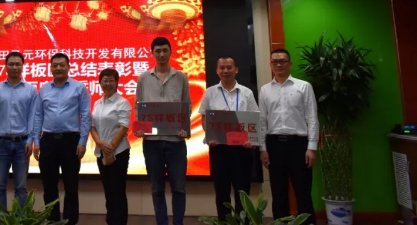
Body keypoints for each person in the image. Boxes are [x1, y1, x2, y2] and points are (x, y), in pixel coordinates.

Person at [134, 37, 190, 225]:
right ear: (152, 53)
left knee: (179, 189)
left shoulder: (181, 77)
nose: (161, 54)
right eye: (157, 51)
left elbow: (186, 106)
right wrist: (141, 127)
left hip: (176, 142)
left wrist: (184, 128)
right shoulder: (143, 78)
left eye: (165, 50)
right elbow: (139, 106)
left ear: (170, 52)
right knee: (157, 189)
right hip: (152, 143)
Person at [259, 49, 318, 224]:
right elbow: (262, 121)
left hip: (299, 145)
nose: (278, 64)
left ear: (290, 64)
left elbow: (312, 118)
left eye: (282, 61)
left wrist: (312, 148)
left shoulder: (304, 87)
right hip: (274, 145)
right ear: (270, 65)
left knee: (303, 191)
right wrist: (263, 149)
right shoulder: (265, 90)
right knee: (278, 193)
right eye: (274, 62)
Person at [33, 53, 91, 225]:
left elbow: (85, 115)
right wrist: (36, 140)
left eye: (62, 65)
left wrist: (82, 142)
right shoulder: (44, 89)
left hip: (71, 141)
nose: (58, 68)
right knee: (49, 185)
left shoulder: (79, 88)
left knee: (71, 186)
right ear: (51, 68)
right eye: (55, 65)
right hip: (48, 140)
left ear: (68, 67)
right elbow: (38, 116)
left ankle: (69, 221)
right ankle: (52, 220)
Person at [199, 57, 259, 219]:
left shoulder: (246, 92)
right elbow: (204, 118)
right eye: (222, 68)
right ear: (217, 71)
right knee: (221, 193)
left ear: (236, 70)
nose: (226, 71)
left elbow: (254, 118)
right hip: (219, 149)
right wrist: (210, 135)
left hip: (242, 150)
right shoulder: (210, 92)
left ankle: (242, 222)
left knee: (242, 193)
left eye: (229, 67)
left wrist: (252, 140)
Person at [0, 51, 38, 209]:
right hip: (0, 143)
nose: (14, 67)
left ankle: (20, 219)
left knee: (21, 187)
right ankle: (0, 218)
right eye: (11, 64)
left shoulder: (30, 90)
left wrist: (30, 140)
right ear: (5, 66)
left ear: (23, 66)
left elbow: (32, 117)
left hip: (22, 143)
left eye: (18, 64)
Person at [90, 68, 131, 225]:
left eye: (111, 80)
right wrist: (100, 143)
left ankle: (120, 222)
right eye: (104, 81)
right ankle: (111, 220)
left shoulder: (122, 103)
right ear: (100, 83)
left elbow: (124, 126)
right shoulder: (97, 103)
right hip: (101, 152)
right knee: (108, 190)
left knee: (118, 190)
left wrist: (111, 147)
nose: (108, 84)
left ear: (117, 83)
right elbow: (92, 127)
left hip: (119, 152)